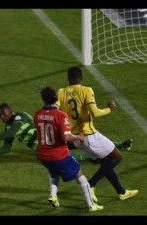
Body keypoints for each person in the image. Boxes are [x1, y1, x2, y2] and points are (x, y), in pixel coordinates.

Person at [56, 66, 138, 202]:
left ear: (68, 78)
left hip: (75, 138)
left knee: (106, 162)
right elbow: (95, 112)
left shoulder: (61, 92)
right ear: (81, 78)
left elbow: (56, 111)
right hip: (89, 135)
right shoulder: (86, 90)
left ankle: (121, 192)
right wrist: (109, 109)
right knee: (117, 157)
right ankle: (91, 184)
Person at [33, 86, 103, 212]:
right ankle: (91, 205)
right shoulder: (60, 115)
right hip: (59, 155)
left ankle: (53, 195)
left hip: (44, 155)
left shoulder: (37, 114)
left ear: (43, 99)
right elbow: (66, 136)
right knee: (80, 175)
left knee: (54, 173)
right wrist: (79, 137)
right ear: (56, 98)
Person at [0, 102, 133, 157]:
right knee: (77, 148)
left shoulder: (19, 117)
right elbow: (7, 148)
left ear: (9, 112)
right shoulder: (8, 126)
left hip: (53, 140)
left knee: (85, 142)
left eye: (2, 114)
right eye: (0, 115)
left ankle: (119, 145)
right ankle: (101, 155)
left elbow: (11, 133)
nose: (1, 117)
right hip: (45, 148)